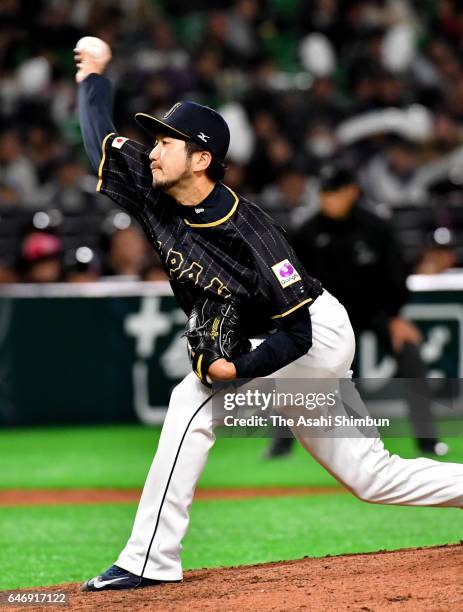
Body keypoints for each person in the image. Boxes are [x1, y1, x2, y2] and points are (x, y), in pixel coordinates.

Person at [74, 40, 463, 593]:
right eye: (155, 140)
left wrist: (240, 370)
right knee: (371, 476)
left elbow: (299, 332)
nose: (152, 150)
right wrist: (94, 76)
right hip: (274, 338)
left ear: (201, 159)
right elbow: (98, 140)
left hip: (311, 335)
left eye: (165, 141)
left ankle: (149, 559)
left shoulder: (252, 232)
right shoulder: (154, 183)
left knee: (193, 400)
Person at [265, 167, 448, 459]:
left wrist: (396, 316)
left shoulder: (376, 226)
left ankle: (428, 441)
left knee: (410, 353)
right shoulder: (307, 232)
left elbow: (397, 275)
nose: (328, 200)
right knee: (292, 361)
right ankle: (281, 443)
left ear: (351, 191)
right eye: (324, 193)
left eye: (335, 192)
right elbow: (291, 279)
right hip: (324, 318)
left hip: (375, 313)